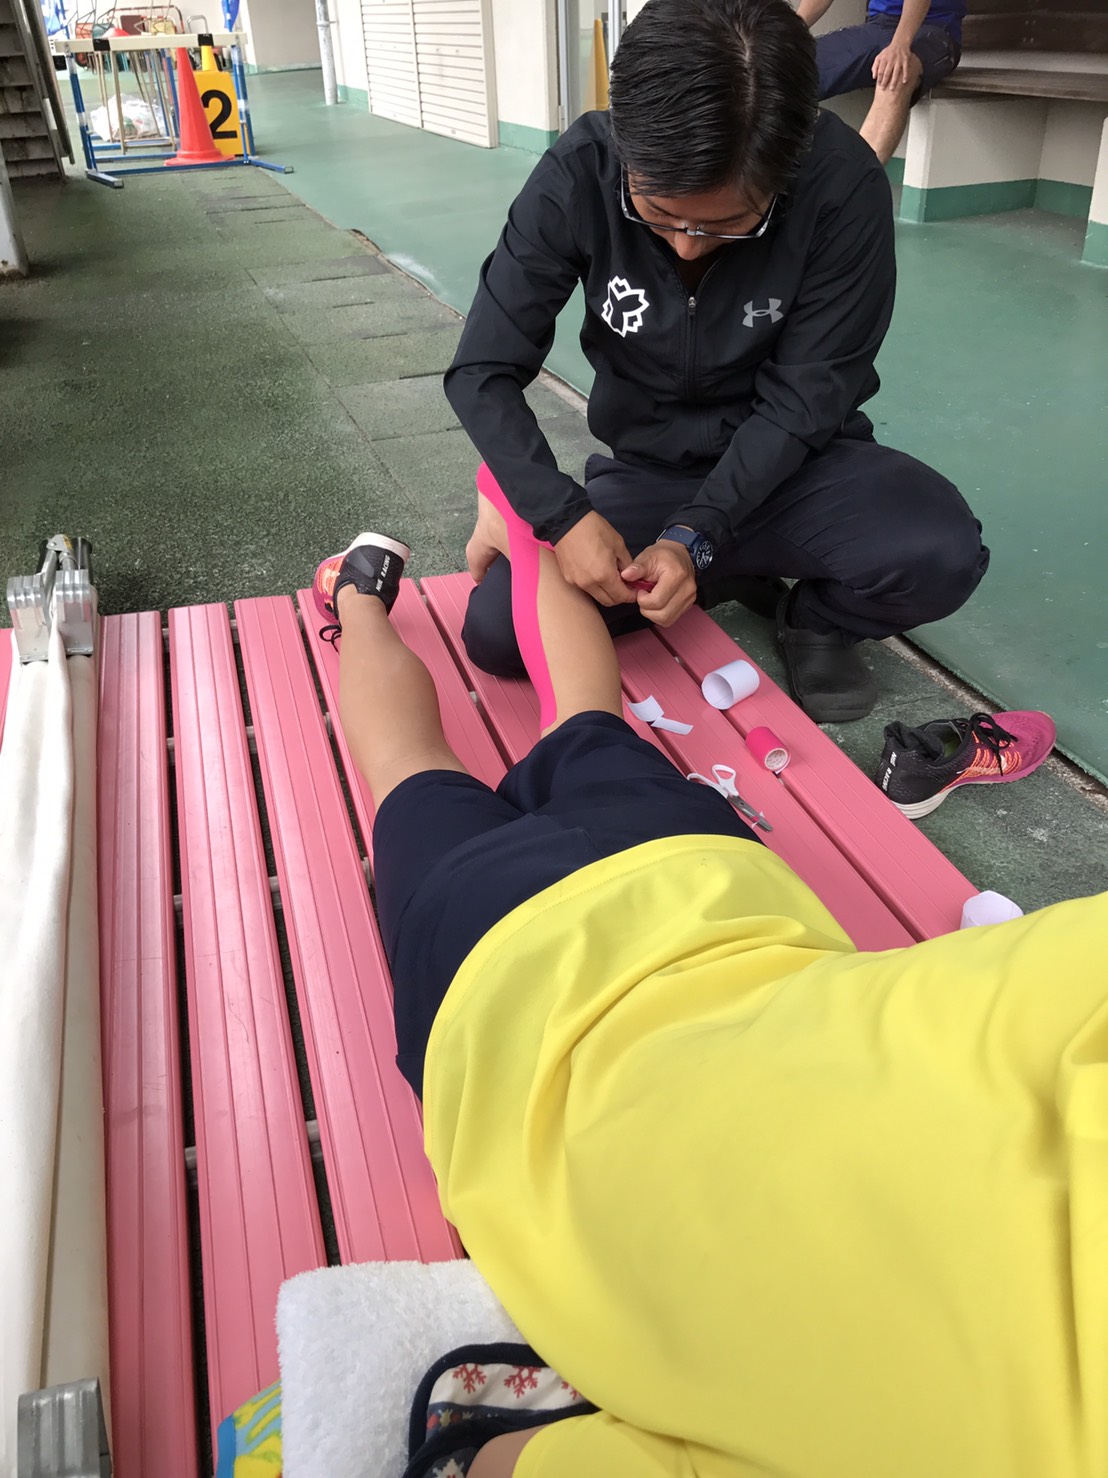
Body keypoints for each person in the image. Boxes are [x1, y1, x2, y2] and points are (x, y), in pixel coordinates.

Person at [311, 517, 1105, 1478]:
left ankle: (499, 539)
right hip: (499, 984)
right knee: (409, 769)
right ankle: (361, 590)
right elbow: (492, 1458)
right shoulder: (985, 1442)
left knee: (587, 715)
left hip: (700, 888)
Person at [444, 0, 988, 726]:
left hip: (799, 466)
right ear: (625, 147)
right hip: (652, 470)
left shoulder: (842, 185)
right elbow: (482, 368)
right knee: (496, 631)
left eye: (730, 224)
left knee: (939, 552)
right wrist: (559, 515)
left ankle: (817, 620)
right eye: (659, 215)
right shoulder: (580, 171)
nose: (688, 245)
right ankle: (727, 571)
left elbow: (804, 401)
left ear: (786, 169)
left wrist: (695, 535)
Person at [799, 0, 966, 164]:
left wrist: (900, 45)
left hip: (935, 26)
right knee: (791, 64)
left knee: (897, 73)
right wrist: (789, 30)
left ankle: (857, 178)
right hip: (879, 25)